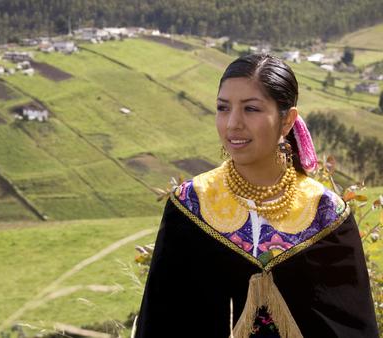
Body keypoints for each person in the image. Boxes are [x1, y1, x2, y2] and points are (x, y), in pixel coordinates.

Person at [133, 54, 379, 338]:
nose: (233, 123)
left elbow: (352, 329)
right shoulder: (190, 205)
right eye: (223, 108)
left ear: (287, 120)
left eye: (251, 109)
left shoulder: (326, 215)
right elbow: (160, 322)